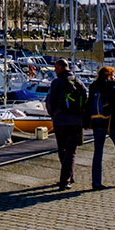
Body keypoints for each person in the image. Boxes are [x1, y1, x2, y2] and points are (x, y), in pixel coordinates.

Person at [44, 59, 88, 190]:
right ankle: (69, 176)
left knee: (63, 150)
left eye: (56, 68)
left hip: (60, 121)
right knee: (71, 151)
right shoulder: (77, 82)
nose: (55, 70)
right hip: (75, 122)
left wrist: (54, 115)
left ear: (62, 68)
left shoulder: (57, 82)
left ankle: (65, 180)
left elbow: (50, 102)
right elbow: (85, 101)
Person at [86, 66, 115, 190]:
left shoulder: (93, 86)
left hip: (97, 122)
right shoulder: (112, 86)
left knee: (98, 153)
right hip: (112, 123)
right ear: (110, 75)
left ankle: (96, 182)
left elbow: (89, 104)